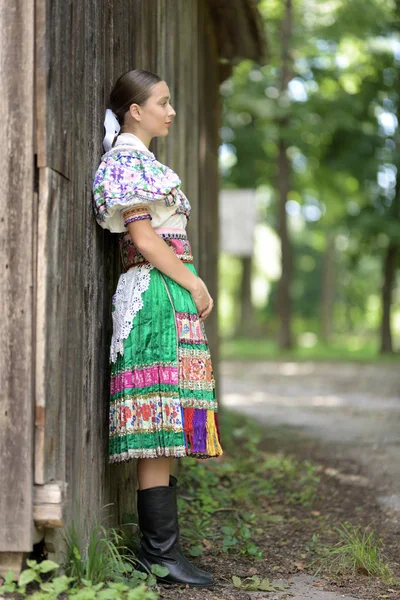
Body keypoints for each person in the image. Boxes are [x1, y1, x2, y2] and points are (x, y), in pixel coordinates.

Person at [92, 69, 223, 588]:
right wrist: (194, 284)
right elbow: (144, 240)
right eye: (162, 103)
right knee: (158, 423)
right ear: (135, 111)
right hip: (153, 295)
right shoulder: (125, 161)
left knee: (167, 424)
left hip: (163, 295)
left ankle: (163, 552)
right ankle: (159, 554)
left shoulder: (142, 161)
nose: (170, 111)